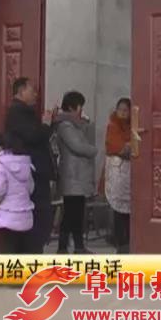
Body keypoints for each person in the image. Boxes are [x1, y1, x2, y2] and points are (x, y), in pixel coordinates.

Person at [3, 77, 56, 253]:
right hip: (31, 173)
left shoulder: (25, 112)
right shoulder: (17, 113)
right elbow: (33, 137)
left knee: (40, 217)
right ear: (21, 92)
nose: (35, 94)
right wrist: (46, 125)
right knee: (37, 217)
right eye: (32, 90)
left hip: (34, 172)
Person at [54, 91, 98, 254]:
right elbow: (78, 146)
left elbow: (86, 138)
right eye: (80, 106)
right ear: (72, 107)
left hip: (78, 177)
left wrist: (85, 123)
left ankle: (78, 247)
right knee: (70, 214)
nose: (81, 110)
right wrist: (93, 150)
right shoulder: (65, 126)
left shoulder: (75, 124)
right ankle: (63, 248)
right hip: (72, 177)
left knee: (77, 213)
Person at [0, 136, 35, 254]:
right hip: (24, 216)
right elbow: (31, 188)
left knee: (8, 250)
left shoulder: (2, 164)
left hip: (7, 217)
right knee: (22, 251)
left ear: (0, 147)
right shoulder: (26, 163)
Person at [104, 98, 132, 254]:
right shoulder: (113, 125)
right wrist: (127, 147)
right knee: (118, 209)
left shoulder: (133, 126)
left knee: (130, 209)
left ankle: (129, 241)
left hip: (130, 174)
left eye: (126, 110)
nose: (122, 112)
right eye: (120, 109)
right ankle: (120, 243)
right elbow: (115, 146)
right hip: (117, 172)